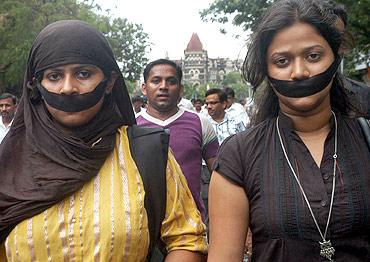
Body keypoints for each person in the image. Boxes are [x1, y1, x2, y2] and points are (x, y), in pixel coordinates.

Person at [0, 20, 207, 261]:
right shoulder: (9, 166)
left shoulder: (144, 154)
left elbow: (186, 239)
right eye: (54, 76)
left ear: (109, 82)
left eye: (83, 74)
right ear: (36, 85)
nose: (68, 88)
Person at [208, 0, 370, 261]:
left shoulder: (365, 138)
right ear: (267, 70)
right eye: (282, 61)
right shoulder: (239, 155)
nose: (299, 72)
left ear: (334, 58)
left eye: (313, 56)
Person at [137, 59, 219, 222]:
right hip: (142, 229)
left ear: (181, 89)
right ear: (144, 88)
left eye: (171, 81)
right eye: (156, 81)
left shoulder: (201, 123)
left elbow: (220, 175)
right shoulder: (130, 127)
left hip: (191, 228)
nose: (163, 87)